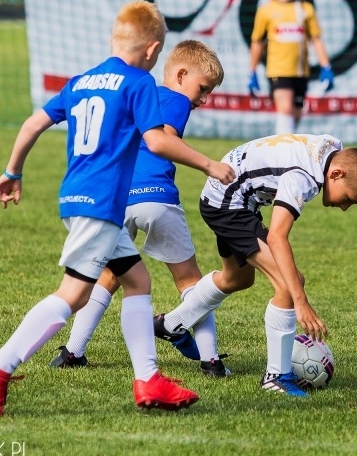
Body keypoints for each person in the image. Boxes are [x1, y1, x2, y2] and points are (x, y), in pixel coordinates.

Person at [0, 0, 206, 416]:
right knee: (73, 294)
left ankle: (149, 381)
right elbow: (157, 141)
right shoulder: (138, 83)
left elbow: (32, 124)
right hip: (99, 205)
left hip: (81, 199)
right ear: (153, 50)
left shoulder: (80, 81)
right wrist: (210, 164)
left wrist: (13, 171)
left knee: (137, 281)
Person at [154, 133, 357, 396]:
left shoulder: (333, 151)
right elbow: (278, 237)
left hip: (232, 196)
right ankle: (276, 378)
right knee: (288, 281)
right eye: (348, 198)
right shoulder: (303, 176)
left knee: (237, 279)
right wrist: (300, 301)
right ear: (335, 175)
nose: (345, 207)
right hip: (228, 205)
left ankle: (170, 325)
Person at [49, 40, 236, 378]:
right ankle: (212, 361)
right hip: (157, 199)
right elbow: (164, 137)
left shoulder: (136, 95)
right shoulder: (175, 99)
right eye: (203, 88)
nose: (203, 98)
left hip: (118, 200)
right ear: (180, 75)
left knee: (107, 276)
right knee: (191, 281)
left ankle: (72, 352)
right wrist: (208, 164)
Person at [247, 0, 334, 135]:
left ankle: (285, 150)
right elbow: (257, 41)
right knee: (285, 110)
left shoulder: (306, 9)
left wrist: (326, 66)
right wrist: (252, 71)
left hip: (301, 72)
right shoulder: (266, 10)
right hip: (278, 71)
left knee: (295, 115)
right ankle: (281, 157)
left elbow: (316, 39)